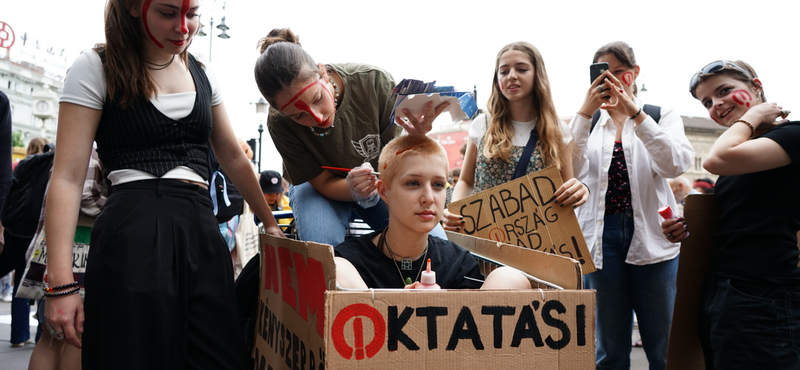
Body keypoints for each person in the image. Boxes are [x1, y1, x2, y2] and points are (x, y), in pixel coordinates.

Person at [42, 1, 283, 369]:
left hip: (202, 232)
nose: (183, 27)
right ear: (136, 8)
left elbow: (233, 155)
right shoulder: (95, 66)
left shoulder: (201, 70)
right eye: (169, 13)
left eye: (192, 13)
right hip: (132, 231)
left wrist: (269, 222)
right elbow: (67, 177)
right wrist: (60, 284)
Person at [254, 28, 450, 247]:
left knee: (434, 246)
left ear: (323, 72)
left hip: (381, 182)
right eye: (298, 115)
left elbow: (398, 161)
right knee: (325, 252)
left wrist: (414, 138)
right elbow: (322, 183)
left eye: (317, 98)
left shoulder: (374, 82)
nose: (316, 117)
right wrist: (354, 190)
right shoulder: (279, 123)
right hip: (319, 188)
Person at [663, 59, 798, 369]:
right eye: (707, 102)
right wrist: (688, 228)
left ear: (756, 86)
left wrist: (751, 117)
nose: (716, 105)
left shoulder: (792, 135)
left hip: (765, 294)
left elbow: (716, 159)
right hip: (722, 291)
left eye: (725, 91)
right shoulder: (741, 153)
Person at [571, 41, 694, 370]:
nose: (610, 81)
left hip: (653, 233)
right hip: (600, 237)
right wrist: (584, 112)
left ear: (634, 73)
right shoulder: (589, 122)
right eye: (601, 75)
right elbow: (568, 168)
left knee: (664, 343)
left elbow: (676, 164)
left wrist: (636, 116)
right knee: (609, 347)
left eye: (618, 73)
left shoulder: (658, 115)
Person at [335, 134, 530, 290]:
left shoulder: (459, 263)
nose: (428, 197)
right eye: (413, 183)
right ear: (384, 192)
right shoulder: (350, 260)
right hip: (375, 336)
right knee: (336, 267)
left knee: (510, 278)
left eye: (438, 185)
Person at [443, 41, 589, 233]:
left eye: (521, 69)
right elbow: (466, 181)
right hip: (486, 238)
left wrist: (581, 190)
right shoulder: (482, 125)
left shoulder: (559, 131)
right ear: (497, 80)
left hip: (539, 242)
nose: (511, 76)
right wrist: (455, 209)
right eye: (503, 71)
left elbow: (566, 195)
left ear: (538, 75)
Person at [27, 148, 107, 370]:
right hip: (76, 257)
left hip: (54, 258)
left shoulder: (70, 152)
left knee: (51, 338)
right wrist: (118, 207)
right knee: (77, 338)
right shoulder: (89, 148)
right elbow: (85, 195)